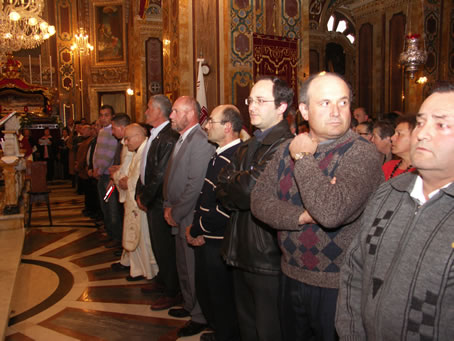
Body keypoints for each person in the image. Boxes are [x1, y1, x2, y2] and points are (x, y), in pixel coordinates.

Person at [250, 71, 383, 341]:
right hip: (290, 275)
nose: (336, 111)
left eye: (343, 102)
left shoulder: (362, 153)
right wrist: (300, 216)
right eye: (325, 103)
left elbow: (330, 212)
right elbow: (259, 202)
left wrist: (303, 157)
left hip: (340, 285)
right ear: (304, 110)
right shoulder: (283, 150)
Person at [335, 85, 454, 340]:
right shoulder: (388, 193)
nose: (422, 134)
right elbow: (354, 270)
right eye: (421, 123)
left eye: (442, 125)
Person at [216, 76, 294, 341]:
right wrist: (238, 184)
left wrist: (236, 183)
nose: (252, 106)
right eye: (251, 100)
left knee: (268, 330)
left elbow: (248, 192)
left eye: (261, 101)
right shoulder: (248, 144)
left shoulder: (285, 146)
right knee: (246, 328)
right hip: (240, 249)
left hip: (267, 255)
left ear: (282, 106)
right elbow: (222, 189)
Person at [186, 105, 243, 341]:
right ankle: (220, 331)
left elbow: (224, 208)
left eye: (212, 121)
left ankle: (226, 335)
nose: (206, 125)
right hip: (207, 236)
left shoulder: (234, 158)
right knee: (209, 292)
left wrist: (199, 229)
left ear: (227, 127)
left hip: (217, 240)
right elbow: (206, 196)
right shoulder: (219, 153)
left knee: (220, 295)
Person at [163, 96, 215, 337]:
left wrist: (176, 211)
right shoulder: (182, 138)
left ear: (190, 113)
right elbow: (171, 176)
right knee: (183, 265)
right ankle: (189, 305)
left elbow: (195, 185)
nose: (170, 116)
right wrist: (167, 205)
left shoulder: (201, 140)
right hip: (177, 212)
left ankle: (199, 316)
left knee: (192, 267)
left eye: (175, 111)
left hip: (189, 215)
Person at [135, 95, 180, 309]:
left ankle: (173, 292)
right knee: (157, 245)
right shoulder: (156, 134)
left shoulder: (168, 136)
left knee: (165, 248)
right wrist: (139, 190)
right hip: (152, 199)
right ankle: (163, 280)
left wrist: (145, 196)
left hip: (161, 201)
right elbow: (145, 168)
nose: (145, 112)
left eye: (149, 108)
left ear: (159, 111)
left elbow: (161, 173)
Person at [112, 123, 159, 281]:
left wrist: (128, 184)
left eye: (128, 139)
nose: (125, 142)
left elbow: (143, 177)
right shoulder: (137, 151)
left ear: (139, 137)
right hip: (134, 203)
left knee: (144, 239)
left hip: (141, 203)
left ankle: (148, 271)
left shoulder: (146, 150)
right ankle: (139, 269)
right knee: (137, 237)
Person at [93, 105, 122, 246]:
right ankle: (110, 232)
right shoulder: (102, 132)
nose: (103, 118)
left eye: (106, 115)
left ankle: (116, 236)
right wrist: (94, 168)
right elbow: (97, 152)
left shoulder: (112, 132)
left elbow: (109, 154)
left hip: (108, 176)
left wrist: (100, 169)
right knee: (105, 205)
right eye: (101, 115)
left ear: (112, 117)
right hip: (101, 174)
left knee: (112, 207)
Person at [382, 114, 417, 180]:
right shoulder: (388, 166)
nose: (392, 138)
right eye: (394, 133)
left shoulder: (423, 173)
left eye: (399, 134)